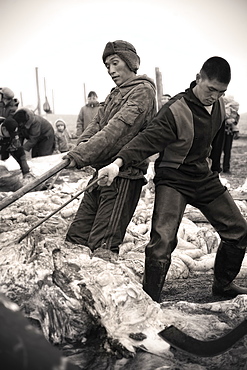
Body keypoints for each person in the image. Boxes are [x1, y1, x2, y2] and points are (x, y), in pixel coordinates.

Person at [97, 56, 247, 302]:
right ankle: (151, 299)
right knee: (162, 241)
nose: (214, 96)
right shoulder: (175, 110)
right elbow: (146, 141)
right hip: (173, 179)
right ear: (198, 79)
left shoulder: (219, 106)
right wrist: (116, 163)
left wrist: (216, 171)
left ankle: (223, 284)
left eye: (221, 92)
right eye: (210, 89)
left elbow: (216, 141)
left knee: (238, 230)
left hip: (202, 177)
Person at [63, 40, 156, 258]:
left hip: (123, 177)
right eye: (107, 66)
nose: (111, 71)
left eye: (115, 63)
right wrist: (79, 148)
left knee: (102, 247)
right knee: (76, 238)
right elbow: (96, 125)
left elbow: (115, 132)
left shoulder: (142, 92)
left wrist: (80, 156)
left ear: (131, 63)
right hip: (101, 175)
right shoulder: (115, 93)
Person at [0, 116, 33, 183]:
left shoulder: (13, 137)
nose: (12, 137)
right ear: (4, 129)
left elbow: (20, 154)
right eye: (10, 134)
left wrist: (26, 172)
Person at [221, 96, 240, 173]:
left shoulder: (229, 110)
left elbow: (235, 121)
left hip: (226, 132)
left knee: (224, 151)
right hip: (226, 132)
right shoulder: (225, 110)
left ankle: (222, 168)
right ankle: (225, 168)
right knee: (226, 151)